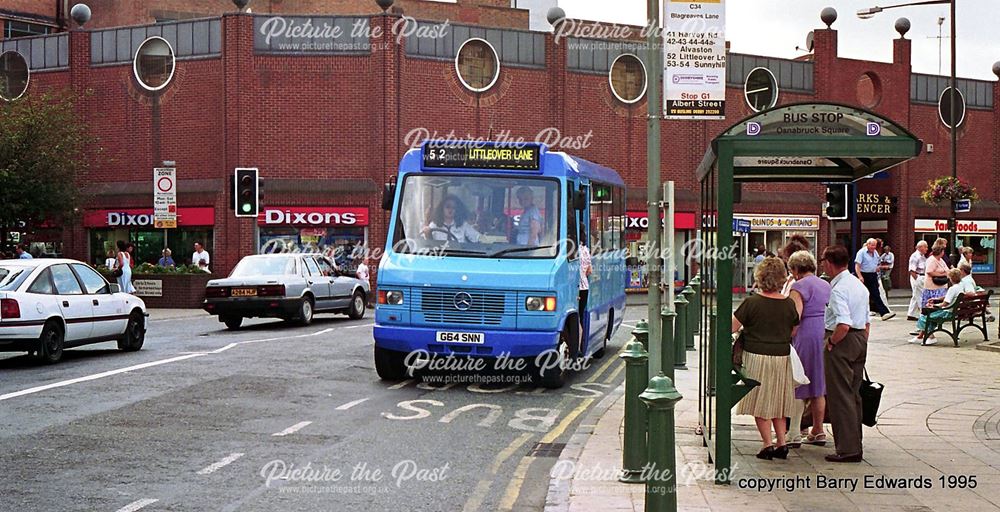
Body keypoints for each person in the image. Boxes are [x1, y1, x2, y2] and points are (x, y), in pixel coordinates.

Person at [731, 257, 799, 461]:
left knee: (761, 401)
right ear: (781, 279)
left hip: (756, 355)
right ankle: (782, 442)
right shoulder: (788, 304)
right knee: (778, 400)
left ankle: (767, 444)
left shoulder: (752, 303)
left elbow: (732, 327)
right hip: (781, 356)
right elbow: (794, 330)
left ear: (760, 277)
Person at [821, 244, 870, 463]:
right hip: (860, 338)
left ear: (829, 263)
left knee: (840, 395)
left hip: (842, 340)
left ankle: (847, 448)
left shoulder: (838, 289)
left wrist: (831, 341)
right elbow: (867, 321)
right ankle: (854, 443)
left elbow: (843, 323)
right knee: (853, 393)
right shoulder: (859, 285)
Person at [785, 250, 832, 448]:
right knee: (819, 385)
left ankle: (795, 430)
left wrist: (788, 335)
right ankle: (818, 430)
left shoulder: (798, 286)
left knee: (799, 381)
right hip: (822, 331)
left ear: (795, 269)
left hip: (805, 334)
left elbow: (796, 317)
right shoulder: (826, 284)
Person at [909, 268, 976, 345]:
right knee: (928, 315)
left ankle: (931, 337)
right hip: (954, 311)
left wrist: (934, 306)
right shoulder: (960, 287)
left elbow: (945, 303)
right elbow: (949, 297)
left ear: (951, 278)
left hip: (947, 312)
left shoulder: (952, 289)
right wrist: (936, 300)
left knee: (924, 317)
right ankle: (920, 336)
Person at [855, 238, 895, 320]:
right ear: (868, 244)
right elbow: (857, 265)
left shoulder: (875, 252)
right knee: (863, 295)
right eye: (872, 245)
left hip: (872, 275)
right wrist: (860, 276)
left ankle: (884, 313)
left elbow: (876, 262)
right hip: (864, 274)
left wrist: (877, 268)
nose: (873, 247)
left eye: (875, 245)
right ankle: (859, 312)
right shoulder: (861, 252)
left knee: (876, 294)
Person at [578, 222, 593, 352]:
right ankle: (581, 347)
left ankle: (576, 347)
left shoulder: (573, 250)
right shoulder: (585, 250)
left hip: (576, 287)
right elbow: (589, 271)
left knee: (575, 318)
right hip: (585, 288)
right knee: (580, 317)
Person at [907, 241, 928, 321]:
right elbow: (912, 270)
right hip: (918, 276)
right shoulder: (915, 256)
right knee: (920, 295)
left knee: (916, 295)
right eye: (925, 247)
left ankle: (911, 314)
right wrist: (917, 279)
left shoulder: (922, 256)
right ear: (920, 247)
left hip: (922, 276)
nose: (927, 249)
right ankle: (922, 314)